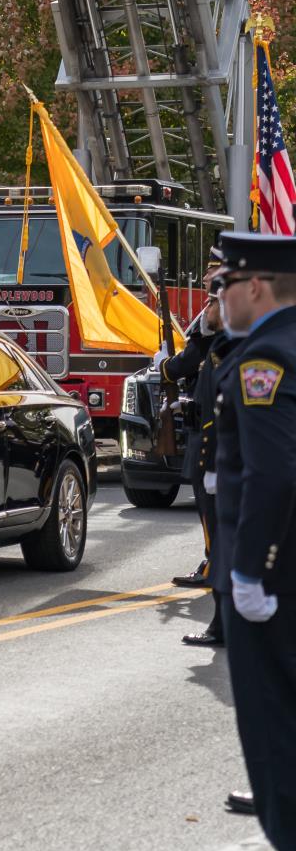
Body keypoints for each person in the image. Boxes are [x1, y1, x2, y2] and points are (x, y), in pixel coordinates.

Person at [202, 231, 296, 851]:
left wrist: (249, 570)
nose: (221, 295)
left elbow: (272, 472)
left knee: (271, 717)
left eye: (227, 282)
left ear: (257, 285)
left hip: (276, 574)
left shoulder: (265, 354)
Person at [161, 261, 230, 646]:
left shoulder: (233, 346)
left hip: (222, 455)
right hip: (214, 448)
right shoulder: (221, 343)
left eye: (214, 299)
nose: (208, 306)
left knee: (223, 536)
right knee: (220, 536)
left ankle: (224, 624)